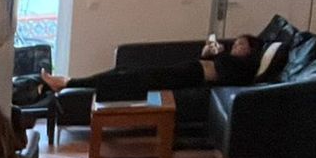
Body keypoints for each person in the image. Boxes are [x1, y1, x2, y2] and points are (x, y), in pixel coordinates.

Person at [41, 32, 267, 95]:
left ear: (251, 49)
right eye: (236, 43)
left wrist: (219, 55)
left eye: (241, 44)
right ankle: (68, 81)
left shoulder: (245, 67)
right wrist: (207, 52)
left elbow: (222, 74)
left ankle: (67, 83)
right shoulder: (232, 60)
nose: (235, 46)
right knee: (123, 71)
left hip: (188, 77)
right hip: (187, 70)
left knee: (126, 79)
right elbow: (214, 64)